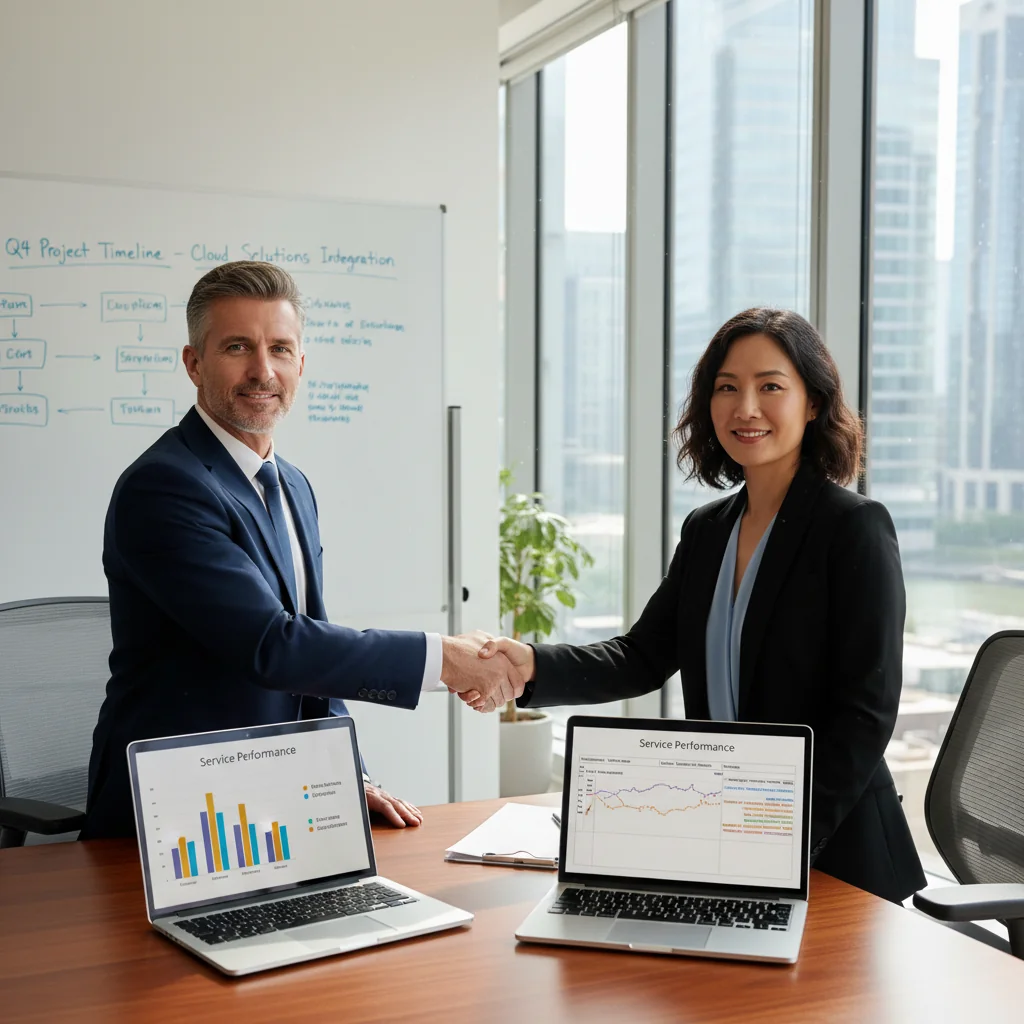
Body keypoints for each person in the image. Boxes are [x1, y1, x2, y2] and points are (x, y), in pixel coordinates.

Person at [469, 307, 926, 903]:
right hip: (720, 835)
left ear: (813, 402)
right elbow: (642, 655)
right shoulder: (709, 528)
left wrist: (781, 845)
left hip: (832, 854)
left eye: (771, 387)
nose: (747, 408)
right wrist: (530, 665)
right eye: (727, 388)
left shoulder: (854, 527)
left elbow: (865, 715)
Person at [82, 261, 524, 840]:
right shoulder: (165, 487)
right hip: (173, 816)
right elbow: (273, 647)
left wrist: (350, 778)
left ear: (301, 365)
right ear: (193, 363)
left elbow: (311, 647)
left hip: (271, 807)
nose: (262, 371)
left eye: (281, 349)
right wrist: (444, 659)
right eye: (238, 347)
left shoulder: (290, 483)